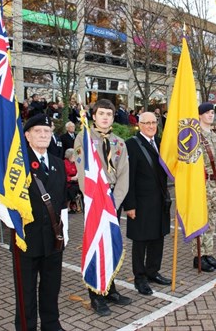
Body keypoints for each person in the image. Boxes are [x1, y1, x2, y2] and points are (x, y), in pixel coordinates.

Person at [74, 98, 131, 316]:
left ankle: (110, 288)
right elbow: (83, 173)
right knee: (96, 245)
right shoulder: (84, 138)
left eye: (109, 114)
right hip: (95, 199)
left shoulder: (119, 142)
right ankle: (95, 295)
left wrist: (114, 201)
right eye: (101, 114)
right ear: (94, 116)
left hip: (112, 201)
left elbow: (124, 174)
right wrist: (96, 198)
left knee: (111, 243)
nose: (105, 117)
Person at [16, 114, 68, 331]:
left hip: (53, 239)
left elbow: (63, 200)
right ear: (27, 135)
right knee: (26, 292)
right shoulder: (18, 164)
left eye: (47, 131)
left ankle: (51, 325)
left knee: (51, 288)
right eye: (38, 131)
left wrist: (65, 233)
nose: (44, 135)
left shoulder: (57, 162)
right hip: (27, 238)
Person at [123, 112, 172, 296]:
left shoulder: (160, 143)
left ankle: (153, 271)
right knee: (141, 241)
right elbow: (128, 177)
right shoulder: (131, 145)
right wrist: (130, 205)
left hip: (160, 200)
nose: (151, 126)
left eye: (154, 122)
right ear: (139, 125)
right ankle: (140, 278)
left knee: (158, 237)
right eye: (147, 123)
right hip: (141, 202)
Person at [192, 102, 216, 271]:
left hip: (214, 183)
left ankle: (208, 253)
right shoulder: (194, 135)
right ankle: (198, 255)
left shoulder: (215, 137)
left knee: (212, 220)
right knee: (200, 220)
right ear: (199, 115)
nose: (211, 115)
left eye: (212, 112)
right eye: (207, 112)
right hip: (201, 183)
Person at [63, 148, 80, 213]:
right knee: (72, 189)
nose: (75, 157)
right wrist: (71, 178)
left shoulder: (75, 163)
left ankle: (75, 205)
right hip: (68, 183)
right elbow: (63, 176)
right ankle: (69, 206)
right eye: (74, 155)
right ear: (69, 156)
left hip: (76, 182)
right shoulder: (64, 163)